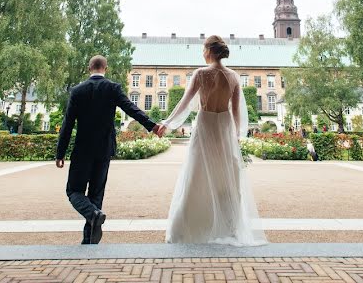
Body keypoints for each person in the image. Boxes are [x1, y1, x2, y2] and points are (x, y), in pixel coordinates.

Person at [161, 35, 267, 246]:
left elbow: (184, 102)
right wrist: (236, 135)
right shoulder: (234, 76)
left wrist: (168, 123)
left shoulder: (201, 74)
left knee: (196, 173)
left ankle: (190, 227)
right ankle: (228, 226)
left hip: (205, 124)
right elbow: (235, 111)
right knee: (225, 176)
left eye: (203, 48)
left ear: (210, 50)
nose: (202, 52)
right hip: (225, 127)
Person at [55, 55, 166, 244]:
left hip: (83, 149)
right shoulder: (112, 88)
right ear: (105, 68)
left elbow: (67, 124)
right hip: (104, 149)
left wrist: (60, 152)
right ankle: (89, 238)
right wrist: (152, 126)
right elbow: (131, 109)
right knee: (96, 194)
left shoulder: (77, 91)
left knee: (74, 191)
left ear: (89, 68)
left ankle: (92, 217)